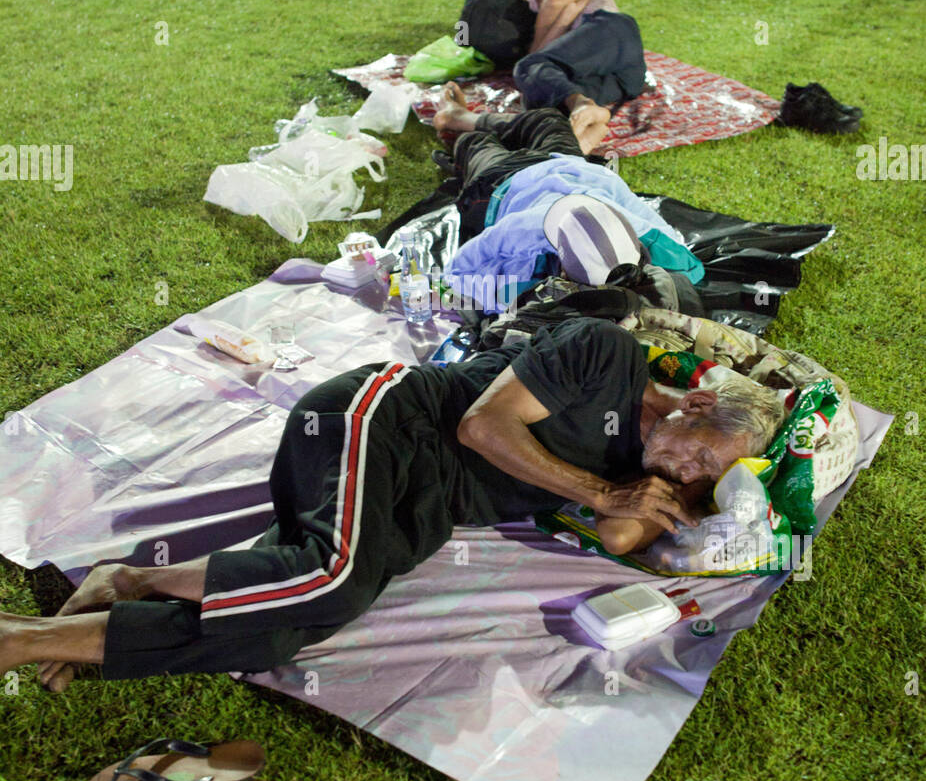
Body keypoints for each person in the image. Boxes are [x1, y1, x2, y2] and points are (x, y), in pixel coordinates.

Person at [5, 319, 785, 689]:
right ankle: (26, 638)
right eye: (697, 456)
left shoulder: (647, 467)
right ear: (692, 404)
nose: (684, 476)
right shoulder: (605, 352)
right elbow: (484, 425)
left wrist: (703, 499)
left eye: (697, 480)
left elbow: (619, 534)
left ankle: (116, 594)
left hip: (421, 500)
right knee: (334, 580)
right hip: (386, 418)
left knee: (283, 633)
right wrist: (606, 488)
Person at [432, 91, 704, 310]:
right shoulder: (650, 239)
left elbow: (459, 275)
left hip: (503, 179)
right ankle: (463, 116)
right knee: (546, 119)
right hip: (569, 164)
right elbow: (691, 269)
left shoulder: (528, 241)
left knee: (474, 142)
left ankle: (461, 122)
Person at [512, 0, 648, 153]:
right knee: (540, 97)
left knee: (526, 67)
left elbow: (554, 1)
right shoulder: (564, 30)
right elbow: (540, 57)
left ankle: (580, 103)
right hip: (626, 80)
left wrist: (541, 1)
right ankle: (586, 129)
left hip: (614, 31)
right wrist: (564, 19)